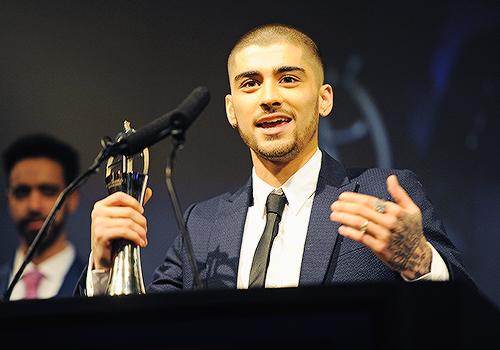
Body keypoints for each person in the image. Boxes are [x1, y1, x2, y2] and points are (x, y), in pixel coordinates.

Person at [81, 23, 474, 296]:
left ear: (324, 99)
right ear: (232, 110)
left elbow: (466, 317)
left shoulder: (383, 194)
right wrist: (104, 266)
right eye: (250, 83)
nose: (269, 96)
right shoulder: (201, 225)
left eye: (288, 78)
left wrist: (420, 263)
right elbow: (141, 333)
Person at [0, 134, 85, 300]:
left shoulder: (95, 289)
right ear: (9, 201)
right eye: (22, 193)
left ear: (72, 198)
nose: (34, 205)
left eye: (48, 192)